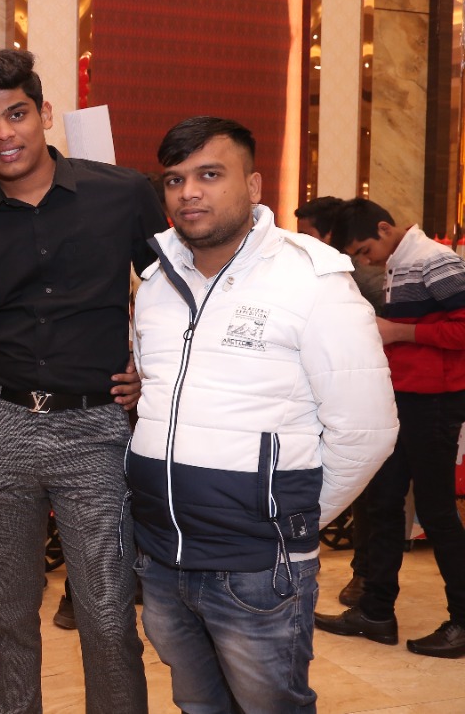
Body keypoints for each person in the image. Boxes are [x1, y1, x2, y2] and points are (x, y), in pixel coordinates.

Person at [130, 116, 398, 711]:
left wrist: (285, 518)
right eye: (175, 179)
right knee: (198, 706)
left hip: (258, 566)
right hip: (164, 557)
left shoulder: (311, 279)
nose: (189, 192)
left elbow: (368, 431)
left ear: (253, 186)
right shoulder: (156, 283)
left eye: (210, 175)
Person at [0, 49, 163, 714]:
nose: (4, 133)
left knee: (108, 618)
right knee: (8, 619)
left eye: (17, 114)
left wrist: (153, 372)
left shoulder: (123, 194)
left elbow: (174, 295)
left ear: (45, 114)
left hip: (95, 428)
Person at [315, 198, 465, 659]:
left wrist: (399, 333)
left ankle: (463, 621)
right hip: (405, 397)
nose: (365, 261)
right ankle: (375, 610)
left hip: (435, 400)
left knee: (437, 512)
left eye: (364, 250)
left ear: (384, 228)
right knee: (381, 502)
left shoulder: (434, 260)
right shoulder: (399, 261)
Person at [294, 194, 385, 608]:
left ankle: (366, 580)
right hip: (325, 400)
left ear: (329, 235)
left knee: (372, 499)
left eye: (309, 234)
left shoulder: (352, 281)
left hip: (354, 401)